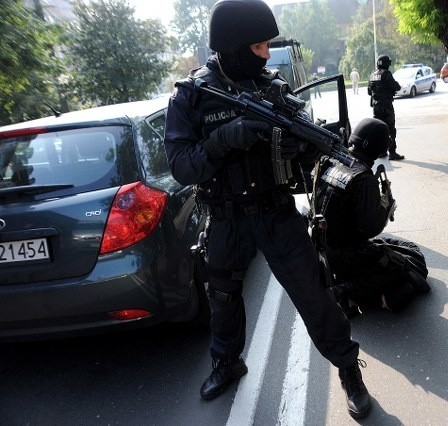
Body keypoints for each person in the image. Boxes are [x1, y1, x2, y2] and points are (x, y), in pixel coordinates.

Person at [163, 0, 371, 419]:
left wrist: (303, 151)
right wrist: (225, 139)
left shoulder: (273, 89)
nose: (265, 55)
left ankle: (349, 370)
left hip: (275, 212)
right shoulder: (191, 96)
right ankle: (227, 363)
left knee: (315, 294)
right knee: (222, 296)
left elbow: (308, 155)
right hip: (223, 218)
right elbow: (182, 166)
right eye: (258, 46)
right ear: (234, 45)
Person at [312, 118, 430, 317]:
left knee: (407, 250)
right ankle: (345, 289)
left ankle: (352, 288)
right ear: (378, 147)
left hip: (319, 249)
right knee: (404, 265)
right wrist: (386, 207)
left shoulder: (330, 161)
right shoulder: (363, 177)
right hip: (346, 254)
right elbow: (370, 228)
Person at [368, 55, 404, 161]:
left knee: (379, 129)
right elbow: (396, 87)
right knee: (390, 129)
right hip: (386, 106)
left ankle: (382, 152)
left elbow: (369, 91)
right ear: (386, 64)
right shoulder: (387, 74)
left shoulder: (372, 75)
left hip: (376, 107)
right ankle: (392, 152)